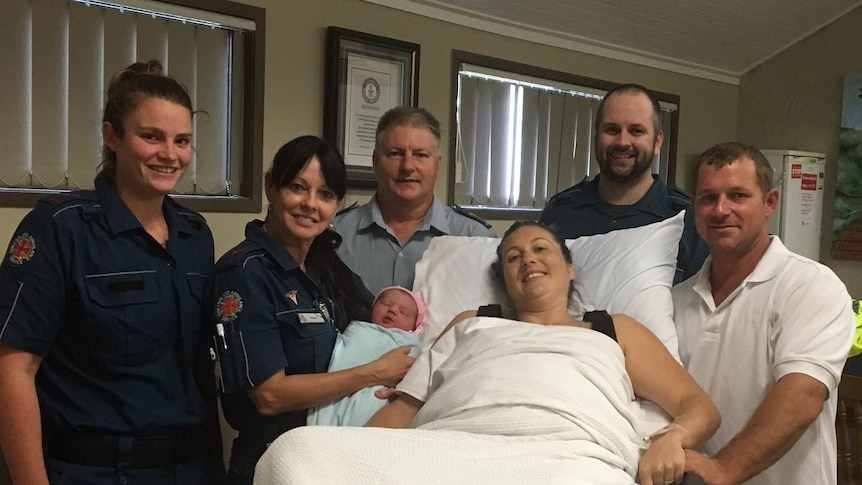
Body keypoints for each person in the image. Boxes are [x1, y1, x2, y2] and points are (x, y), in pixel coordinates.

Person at [255, 221, 720, 485]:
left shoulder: (614, 330)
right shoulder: (471, 323)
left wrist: (671, 439)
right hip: (449, 451)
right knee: (294, 453)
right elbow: (408, 404)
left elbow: (697, 407)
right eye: (514, 257)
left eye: (541, 249)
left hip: (568, 461)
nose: (528, 260)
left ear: (571, 269)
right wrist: (359, 454)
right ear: (504, 275)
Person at [0, 60, 224, 484]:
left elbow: (197, 372)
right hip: (94, 468)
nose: (170, 154)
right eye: (151, 136)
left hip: (188, 467)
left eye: (182, 141)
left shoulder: (195, 236)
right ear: (112, 136)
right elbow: (13, 368)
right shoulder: (60, 228)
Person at [209, 135, 416, 485]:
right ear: (270, 187)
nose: (310, 204)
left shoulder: (326, 267)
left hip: (333, 457)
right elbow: (269, 396)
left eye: (325, 195)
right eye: (297, 187)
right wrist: (375, 372)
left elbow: (370, 332)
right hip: (274, 462)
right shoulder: (244, 273)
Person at [672, 142, 856, 485]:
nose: (721, 210)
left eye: (738, 196)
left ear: (770, 202)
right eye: (708, 198)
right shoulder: (675, 301)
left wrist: (721, 470)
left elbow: (803, 395)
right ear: (695, 206)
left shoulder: (810, 286)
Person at [540, 83, 708, 285]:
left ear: (657, 141)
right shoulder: (559, 211)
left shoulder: (689, 219)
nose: (622, 142)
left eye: (636, 131)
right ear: (596, 136)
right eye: (612, 129)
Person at [334, 106, 497, 296]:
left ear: (437, 165)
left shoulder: (476, 239)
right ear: (375, 161)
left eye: (421, 155)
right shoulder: (336, 236)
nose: (408, 166)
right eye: (395, 153)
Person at [307, 286, 426, 426]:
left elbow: (415, 371)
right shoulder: (360, 329)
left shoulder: (407, 342)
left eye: (403, 312)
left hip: (376, 397)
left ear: (414, 326)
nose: (392, 310)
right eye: (386, 304)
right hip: (338, 384)